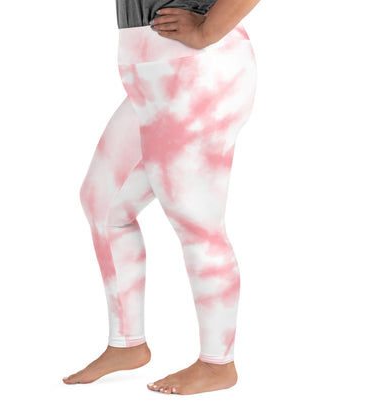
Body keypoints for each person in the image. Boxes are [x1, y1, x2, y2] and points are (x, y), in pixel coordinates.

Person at [62, 0, 261, 395]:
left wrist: (206, 30)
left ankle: (217, 364)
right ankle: (127, 344)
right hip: (153, 76)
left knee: (196, 222)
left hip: (197, 71)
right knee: (102, 202)